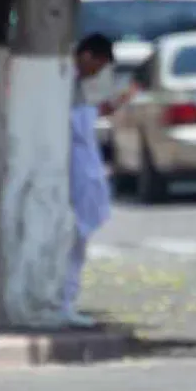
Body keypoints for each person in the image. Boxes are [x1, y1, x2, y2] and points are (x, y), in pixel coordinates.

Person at [65, 33, 130, 327]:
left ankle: (67, 299)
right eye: (98, 65)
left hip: (81, 168)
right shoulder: (64, 80)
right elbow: (77, 121)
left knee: (78, 242)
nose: (96, 72)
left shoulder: (73, 83)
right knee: (70, 242)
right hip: (72, 170)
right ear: (88, 56)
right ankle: (63, 300)